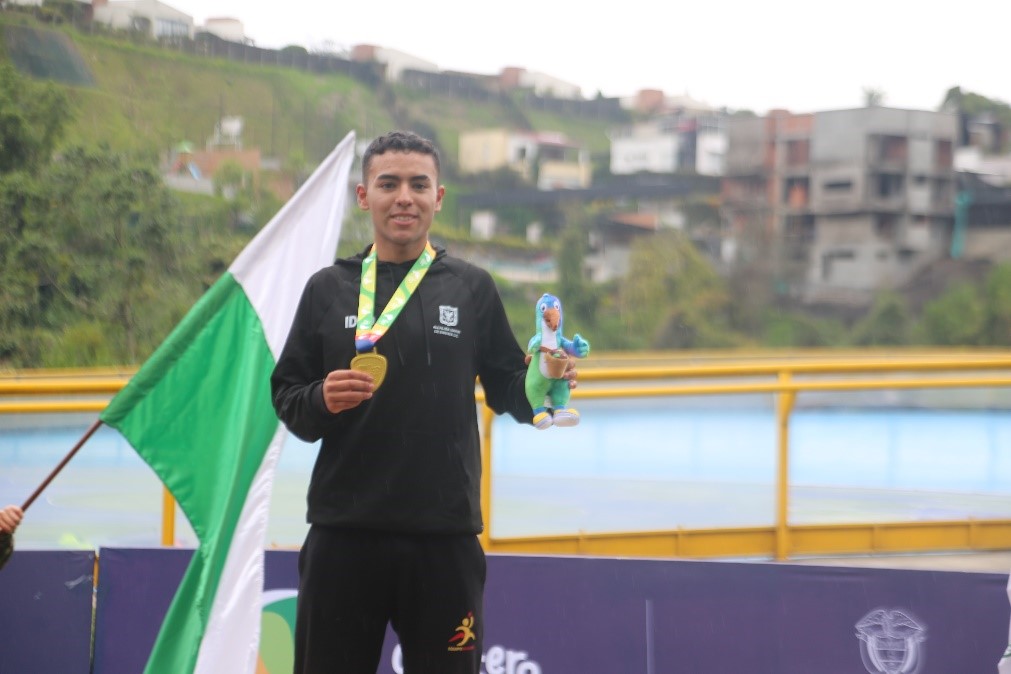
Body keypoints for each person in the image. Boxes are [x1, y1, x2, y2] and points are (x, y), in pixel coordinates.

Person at [271, 130, 577, 673]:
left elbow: (511, 387)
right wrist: (321, 397)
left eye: (418, 184)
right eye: (388, 184)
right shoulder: (328, 289)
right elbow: (288, 399)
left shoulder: (471, 288)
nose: (403, 197)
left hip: (443, 540)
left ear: (439, 197)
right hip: (344, 536)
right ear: (364, 195)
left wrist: (546, 378)